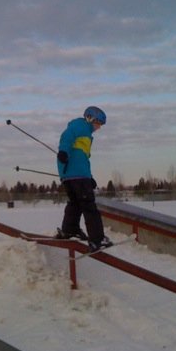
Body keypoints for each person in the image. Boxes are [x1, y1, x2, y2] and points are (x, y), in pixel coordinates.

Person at [55, 106, 112, 252]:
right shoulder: (80, 127)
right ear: (90, 118)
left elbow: (82, 159)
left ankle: (70, 229)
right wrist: (63, 151)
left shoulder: (86, 133)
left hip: (71, 175)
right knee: (89, 206)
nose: (99, 127)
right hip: (77, 175)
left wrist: (90, 177)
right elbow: (66, 138)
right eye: (98, 123)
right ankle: (97, 239)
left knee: (75, 203)